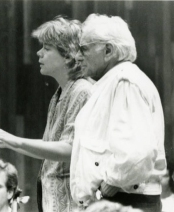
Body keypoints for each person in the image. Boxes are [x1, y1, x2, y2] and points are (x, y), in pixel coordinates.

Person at [0, 16, 93, 212]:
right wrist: (8, 142)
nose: (38, 53)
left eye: (47, 48)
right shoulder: (59, 94)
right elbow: (48, 148)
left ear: (67, 55)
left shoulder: (82, 91)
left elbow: (70, 149)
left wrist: (13, 139)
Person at [70, 13, 166, 212]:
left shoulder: (125, 83)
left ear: (108, 50)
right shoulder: (111, 84)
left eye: (84, 49)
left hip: (123, 202)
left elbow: (136, 154)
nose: (78, 57)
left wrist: (105, 189)